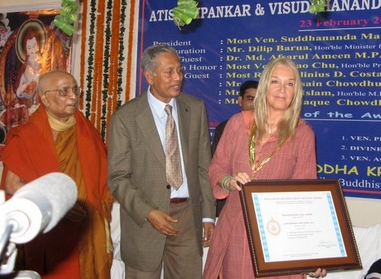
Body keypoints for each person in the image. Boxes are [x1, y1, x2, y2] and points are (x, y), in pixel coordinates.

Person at [203, 58, 327, 279]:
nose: (282, 90)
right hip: (237, 229)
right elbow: (217, 166)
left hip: (279, 237)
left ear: (296, 92)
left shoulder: (303, 134)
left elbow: (306, 196)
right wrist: (228, 181)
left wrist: (312, 251)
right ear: (264, 87)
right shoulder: (237, 123)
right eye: (275, 81)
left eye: (289, 84)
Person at [107, 44, 216, 279]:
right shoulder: (126, 118)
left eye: (179, 70)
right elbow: (117, 178)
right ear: (149, 76)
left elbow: (203, 167)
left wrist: (208, 215)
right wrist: (149, 212)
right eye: (169, 72)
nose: (178, 77)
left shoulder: (195, 109)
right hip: (145, 220)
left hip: (188, 216)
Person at [0, 69, 113, 279]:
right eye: (63, 91)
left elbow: (101, 176)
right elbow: (12, 185)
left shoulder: (85, 129)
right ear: (45, 98)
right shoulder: (26, 135)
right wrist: (59, 205)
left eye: (74, 90)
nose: (72, 96)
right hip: (50, 228)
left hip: (86, 226)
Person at [211, 80, 258, 217]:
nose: (255, 104)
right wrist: (229, 181)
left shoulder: (271, 129)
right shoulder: (228, 126)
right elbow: (216, 167)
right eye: (250, 99)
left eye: (260, 100)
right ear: (240, 100)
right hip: (229, 202)